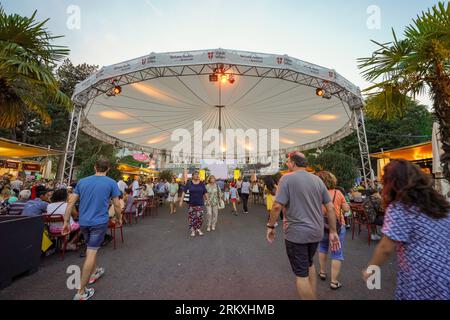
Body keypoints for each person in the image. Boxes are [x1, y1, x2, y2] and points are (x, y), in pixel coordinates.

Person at [363, 159, 450, 300]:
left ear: (392, 183)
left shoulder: (401, 207)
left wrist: (371, 268)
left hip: (423, 274)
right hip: (445, 268)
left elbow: (385, 248)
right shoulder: (439, 202)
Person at [267, 151, 340, 300]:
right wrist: (333, 231)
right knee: (309, 264)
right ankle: (312, 295)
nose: (287, 164)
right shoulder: (317, 180)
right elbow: (330, 207)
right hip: (316, 232)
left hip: (297, 234)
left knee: (301, 275)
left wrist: (271, 226)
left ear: (293, 163)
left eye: (288, 161)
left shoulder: (286, 179)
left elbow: (276, 207)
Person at [62, 158, 122, 300]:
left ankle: (94, 272)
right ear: (108, 169)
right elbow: (117, 205)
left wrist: (66, 221)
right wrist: (119, 219)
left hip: (84, 222)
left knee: (91, 248)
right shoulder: (111, 183)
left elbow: (70, 202)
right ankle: (81, 292)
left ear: (95, 167)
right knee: (91, 252)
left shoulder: (82, 181)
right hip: (99, 222)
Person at [316, 171, 350, 290]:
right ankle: (334, 282)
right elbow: (346, 209)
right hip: (337, 227)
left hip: (321, 226)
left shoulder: (316, 194)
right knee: (337, 253)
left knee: (323, 247)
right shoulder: (338, 193)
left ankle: (322, 272)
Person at [179, 171, 209, 237]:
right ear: (192, 176)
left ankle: (198, 228)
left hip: (200, 203)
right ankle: (193, 230)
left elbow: (205, 192)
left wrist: (208, 200)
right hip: (191, 203)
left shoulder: (201, 183)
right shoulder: (189, 183)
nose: (197, 176)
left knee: (200, 216)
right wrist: (181, 201)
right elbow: (184, 192)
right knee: (192, 217)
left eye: (197, 175)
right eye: (195, 175)